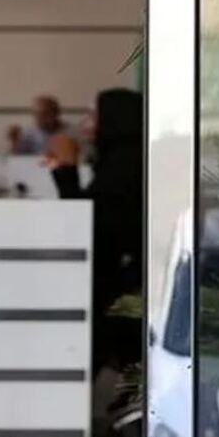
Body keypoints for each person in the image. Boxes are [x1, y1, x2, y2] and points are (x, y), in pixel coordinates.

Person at [46, 89, 143, 371]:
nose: (85, 124)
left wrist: (66, 169)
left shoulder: (124, 165)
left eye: (92, 116)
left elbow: (88, 224)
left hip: (121, 283)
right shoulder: (122, 159)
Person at [8, 94, 73, 155]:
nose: (40, 119)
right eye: (37, 114)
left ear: (56, 113)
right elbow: (17, 157)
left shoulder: (69, 131)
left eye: (45, 114)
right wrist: (14, 142)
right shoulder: (29, 133)